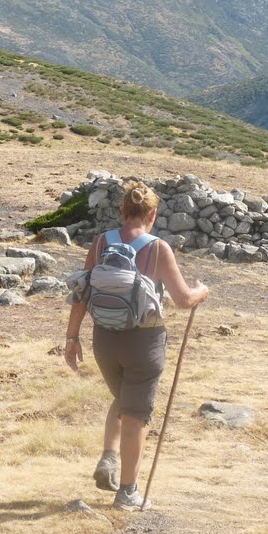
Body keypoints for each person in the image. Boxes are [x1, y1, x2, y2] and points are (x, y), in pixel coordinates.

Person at [64, 180, 209, 511]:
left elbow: (81, 293)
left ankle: (109, 457)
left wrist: (72, 338)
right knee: (135, 415)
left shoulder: (102, 243)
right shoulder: (158, 249)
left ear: (122, 212)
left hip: (104, 340)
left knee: (123, 399)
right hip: (145, 342)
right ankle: (128, 493)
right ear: (152, 215)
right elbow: (184, 300)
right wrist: (202, 291)